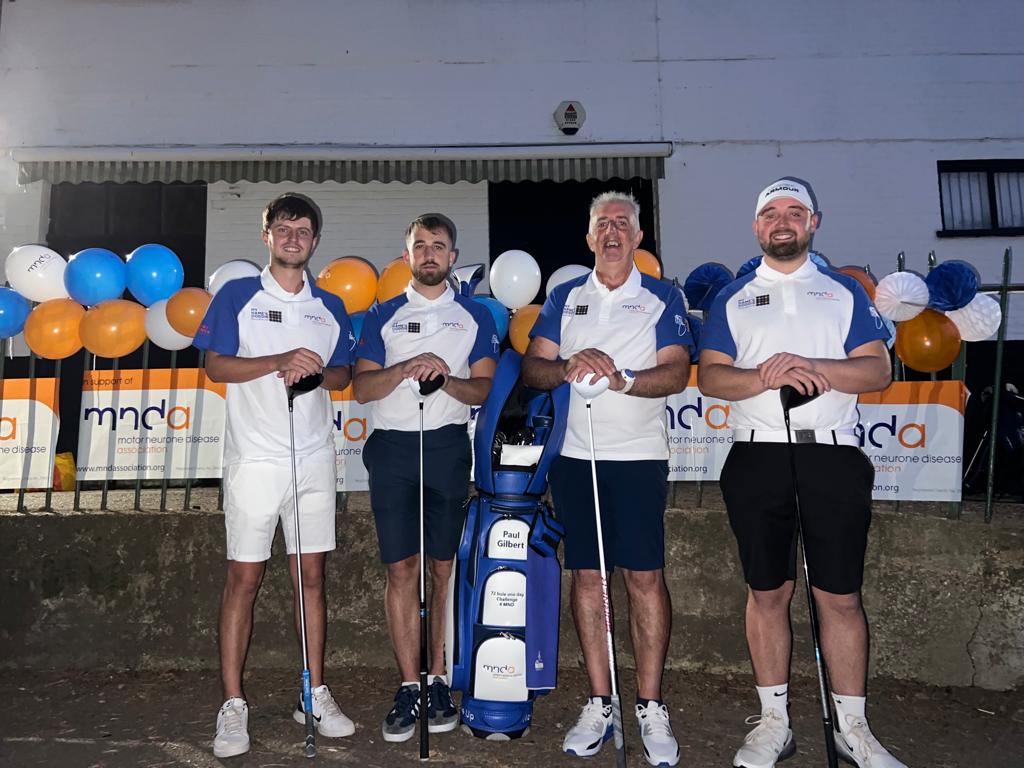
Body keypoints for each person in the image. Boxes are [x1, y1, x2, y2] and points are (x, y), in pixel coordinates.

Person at [697, 178, 905, 768]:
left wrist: (810, 366)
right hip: (757, 452)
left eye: (794, 212)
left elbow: (877, 371)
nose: (781, 221)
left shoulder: (843, 290)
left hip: (831, 454)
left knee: (838, 596)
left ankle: (853, 730)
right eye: (770, 213)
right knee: (767, 592)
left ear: (814, 222)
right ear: (757, 226)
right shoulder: (732, 297)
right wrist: (767, 375)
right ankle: (772, 722)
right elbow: (712, 377)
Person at [522, 191, 693, 767]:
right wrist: (566, 366)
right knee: (589, 579)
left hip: (639, 457)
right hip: (575, 457)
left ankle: (649, 704)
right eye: (603, 225)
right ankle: (601, 701)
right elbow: (533, 368)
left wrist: (620, 379)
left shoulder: (662, 296)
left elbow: (674, 374)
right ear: (590, 238)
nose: (613, 232)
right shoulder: (565, 299)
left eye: (623, 223)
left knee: (644, 579)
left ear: (638, 237)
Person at [195, 193, 356, 759]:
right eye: (283, 228)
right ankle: (233, 704)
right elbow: (215, 365)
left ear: (315, 240)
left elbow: (345, 373)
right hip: (254, 459)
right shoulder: (238, 295)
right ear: (266, 236)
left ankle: (313, 691)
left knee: (310, 578)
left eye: (303, 229)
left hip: (313, 457)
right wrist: (279, 360)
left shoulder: (330, 304)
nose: (293, 237)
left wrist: (317, 372)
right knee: (244, 578)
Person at [353, 213, 498, 743]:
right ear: (407, 254)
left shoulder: (476, 316)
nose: (430, 254)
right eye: (421, 246)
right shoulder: (382, 315)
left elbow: (482, 391)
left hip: (446, 450)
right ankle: (409, 684)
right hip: (392, 449)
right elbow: (363, 390)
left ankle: (438, 677)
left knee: (442, 568)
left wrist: (444, 380)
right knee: (400, 570)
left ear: (454, 257)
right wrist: (405, 368)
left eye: (440, 246)